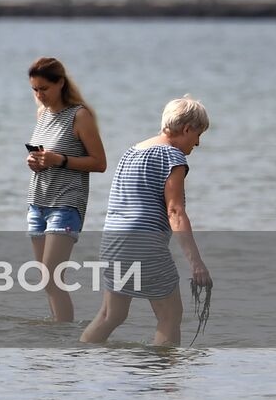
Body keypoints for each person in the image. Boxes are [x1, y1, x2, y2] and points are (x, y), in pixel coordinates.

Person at [81, 95, 212, 346]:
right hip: (145, 244)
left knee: (111, 314)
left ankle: (77, 364)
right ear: (186, 129)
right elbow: (175, 211)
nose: (197, 143)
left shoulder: (132, 151)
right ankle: (163, 380)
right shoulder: (173, 158)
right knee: (170, 316)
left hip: (113, 241)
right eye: (198, 135)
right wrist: (196, 264)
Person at [24, 56, 107, 323]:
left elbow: (100, 163)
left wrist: (60, 160)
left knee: (51, 275)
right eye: (35, 89)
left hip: (66, 205)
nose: (39, 95)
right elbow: (46, 156)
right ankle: (58, 335)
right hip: (37, 203)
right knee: (46, 280)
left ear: (60, 83)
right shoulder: (42, 113)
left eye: (44, 89)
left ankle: (65, 335)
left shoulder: (80, 116)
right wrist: (35, 162)